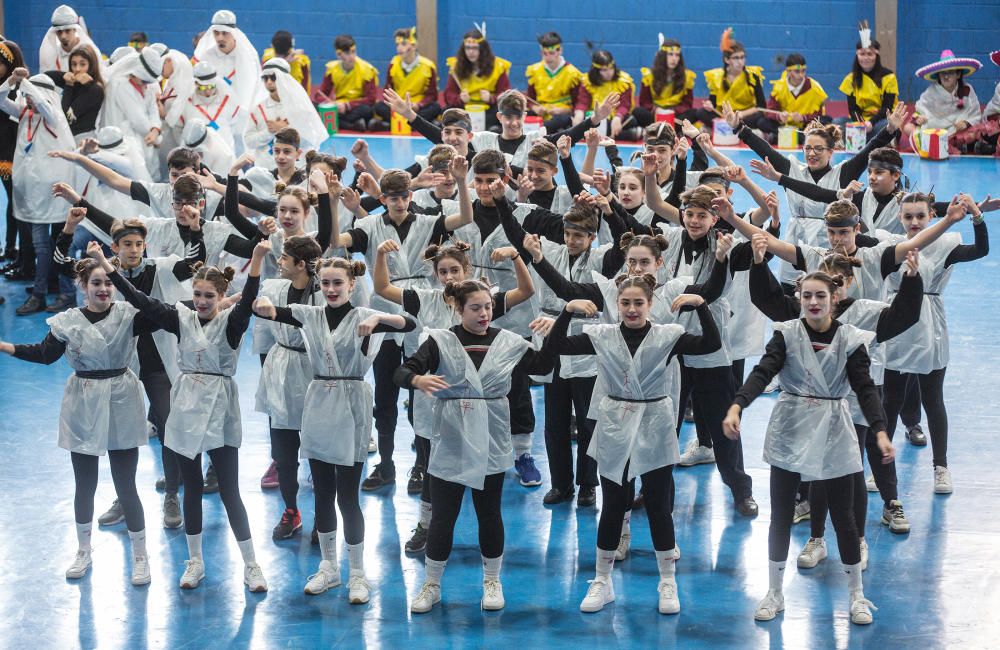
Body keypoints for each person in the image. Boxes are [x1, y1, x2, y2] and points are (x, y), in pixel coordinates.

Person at [723, 270, 895, 626]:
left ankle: (857, 595)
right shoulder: (786, 334)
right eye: (806, 297)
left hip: (834, 423)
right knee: (782, 513)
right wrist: (739, 403)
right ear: (799, 299)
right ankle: (774, 591)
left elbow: (864, 388)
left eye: (820, 296)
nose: (813, 303)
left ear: (835, 298)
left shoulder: (851, 339)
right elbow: (763, 371)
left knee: (844, 517)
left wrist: (879, 430)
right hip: (792, 423)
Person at [102, 238, 270, 592]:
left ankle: (251, 564)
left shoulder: (232, 322)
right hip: (185, 406)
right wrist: (109, 270)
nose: (202, 301)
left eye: (209, 295)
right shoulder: (181, 318)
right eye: (197, 294)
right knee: (191, 486)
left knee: (229, 490)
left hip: (220, 407)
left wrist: (255, 260)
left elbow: (250, 297)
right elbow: (141, 301)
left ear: (221, 296)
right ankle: (195, 562)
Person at [746, 243, 924, 572]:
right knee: (814, 472)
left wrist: (912, 279)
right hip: (808, 411)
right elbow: (766, 297)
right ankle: (816, 538)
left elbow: (904, 315)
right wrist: (758, 264)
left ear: (846, 287)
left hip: (852, 405)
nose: (822, 295)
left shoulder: (865, 314)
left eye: (839, 282)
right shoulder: (804, 313)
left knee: (850, 475)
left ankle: (857, 540)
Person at [548, 276, 720, 614]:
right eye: (625, 303)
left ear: (649, 304)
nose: (631, 309)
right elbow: (556, 347)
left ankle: (667, 581)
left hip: (655, 420)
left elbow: (710, 345)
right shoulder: (602, 335)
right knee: (614, 503)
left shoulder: (668, 336)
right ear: (617, 305)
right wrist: (566, 313)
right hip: (615, 421)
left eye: (638, 303)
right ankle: (602, 580)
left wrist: (702, 307)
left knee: (658, 503)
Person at [254, 257, 415, 601]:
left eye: (337, 283)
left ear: (351, 284)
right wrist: (263, 304)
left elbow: (410, 323)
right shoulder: (309, 314)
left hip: (352, 402)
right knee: (323, 493)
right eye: (325, 284)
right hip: (319, 402)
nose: (330, 290)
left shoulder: (362, 316)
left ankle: (357, 572)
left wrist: (378, 317)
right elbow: (271, 312)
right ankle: (329, 567)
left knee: (347, 495)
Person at [397, 279, 554, 613]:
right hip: (451, 436)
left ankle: (492, 581)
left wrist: (556, 326)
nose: (484, 314)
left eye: (488, 307)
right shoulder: (441, 340)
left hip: (492, 435)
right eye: (475, 308)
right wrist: (417, 379)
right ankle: (432, 584)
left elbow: (543, 366)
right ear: (458, 308)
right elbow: (403, 371)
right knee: (443, 515)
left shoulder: (509, 342)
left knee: (489, 512)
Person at [0, 247, 154, 585]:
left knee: (126, 483)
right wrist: (5, 346)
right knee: (84, 484)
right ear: (82, 285)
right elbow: (44, 354)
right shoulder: (67, 321)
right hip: (83, 400)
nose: (103, 289)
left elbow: (157, 311)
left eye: (108, 283)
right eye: (96, 283)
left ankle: (140, 556)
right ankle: (83, 550)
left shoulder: (131, 314)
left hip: (121, 397)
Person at [373, 237, 535, 551]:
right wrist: (380, 256)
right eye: (443, 271)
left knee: (483, 476)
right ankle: (425, 525)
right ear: (435, 274)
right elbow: (382, 288)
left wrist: (516, 257)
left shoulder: (480, 299)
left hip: (479, 403)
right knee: (430, 467)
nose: (449, 277)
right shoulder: (424, 299)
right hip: (435, 397)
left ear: (466, 269)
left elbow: (526, 292)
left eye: (454, 270)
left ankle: (476, 535)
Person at [54, 207, 204, 529]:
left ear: (145, 245)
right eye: (127, 245)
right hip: (122, 367)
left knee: (167, 425)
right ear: (114, 248)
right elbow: (61, 262)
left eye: (138, 244)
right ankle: (124, 499)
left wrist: (194, 230)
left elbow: (194, 261)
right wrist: (69, 228)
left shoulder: (161, 268)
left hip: (159, 364)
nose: (133, 250)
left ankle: (171, 496)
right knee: (118, 435)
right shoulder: (104, 275)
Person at [330, 159, 473, 491]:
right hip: (382, 313)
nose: (398, 201)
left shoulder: (428, 221)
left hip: (419, 310)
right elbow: (336, 238)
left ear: (411, 195)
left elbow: (465, 217)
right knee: (384, 396)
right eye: (392, 196)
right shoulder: (368, 227)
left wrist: (463, 182)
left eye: (404, 195)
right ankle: (387, 463)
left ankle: (422, 465)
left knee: (420, 394)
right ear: (382, 199)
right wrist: (332, 199)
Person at [727, 101, 907, 290]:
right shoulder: (792, 168)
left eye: (819, 149)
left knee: (828, 292)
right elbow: (765, 150)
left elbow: (869, 149)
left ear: (830, 152)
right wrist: (739, 127)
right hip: (795, 240)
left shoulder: (843, 172)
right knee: (790, 291)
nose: (812, 153)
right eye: (808, 149)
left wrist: (889, 129)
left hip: (831, 241)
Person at [880, 192, 989, 495]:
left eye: (920, 216)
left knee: (933, 399)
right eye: (908, 216)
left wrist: (977, 217)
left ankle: (940, 466)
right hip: (897, 323)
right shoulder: (889, 244)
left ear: (931, 216)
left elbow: (981, 250)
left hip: (930, 326)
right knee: (890, 400)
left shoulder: (945, 244)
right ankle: (880, 467)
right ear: (900, 218)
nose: (914, 222)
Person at [0, 68, 79, 315]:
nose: (29, 100)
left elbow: (45, 105)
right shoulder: (25, 114)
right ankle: (43, 288)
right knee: (40, 244)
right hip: (30, 194)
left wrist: (26, 84)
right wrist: (12, 81)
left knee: (50, 244)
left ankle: (41, 293)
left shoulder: (53, 115)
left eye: (32, 96)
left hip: (52, 194)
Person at [192, 10, 261, 153]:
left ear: (233, 32)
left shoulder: (247, 57)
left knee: (243, 151)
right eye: (216, 33)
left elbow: (254, 88)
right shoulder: (206, 56)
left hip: (242, 113)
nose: (220, 38)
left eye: (224, 33)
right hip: (215, 112)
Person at [245, 58, 327, 169]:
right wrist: (269, 132)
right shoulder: (258, 109)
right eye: (265, 78)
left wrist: (286, 130)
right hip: (264, 170)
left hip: (295, 170)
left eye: (273, 77)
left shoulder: (300, 107)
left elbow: (310, 141)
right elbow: (249, 142)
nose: (269, 82)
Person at [98, 45, 164, 177]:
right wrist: (157, 139)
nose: (145, 84)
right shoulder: (120, 84)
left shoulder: (148, 85)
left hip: (147, 137)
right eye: (143, 80)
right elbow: (137, 119)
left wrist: (156, 129)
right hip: (128, 140)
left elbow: (153, 109)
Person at [906, 50, 985, 155]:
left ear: (958, 75)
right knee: (908, 128)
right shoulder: (931, 92)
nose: (946, 76)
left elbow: (975, 114)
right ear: (938, 75)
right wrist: (919, 119)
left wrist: (966, 123)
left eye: (950, 73)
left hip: (957, 131)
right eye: (943, 73)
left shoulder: (967, 89)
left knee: (974, 132)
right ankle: (950, 145)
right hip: (934, 129)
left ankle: (953, 144)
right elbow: (920, 112)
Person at [694, 28, 766, 131]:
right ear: (727, 60)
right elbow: (713, 103)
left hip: (743, 115)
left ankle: (722, 128)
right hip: (723, 115)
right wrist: (709, 105)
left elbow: (761, 106)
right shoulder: (717, 76)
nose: (741, 62)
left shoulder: (753, 76)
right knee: (700, 113)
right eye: (736, 58)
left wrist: (740, 114)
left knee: (760, 118)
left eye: (742, 57)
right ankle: (734, 128)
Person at [443, 26, 511, 132]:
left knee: (504, 112)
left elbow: (506, 95)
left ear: (482, 49)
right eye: (467, 48)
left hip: (488, 110)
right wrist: (459, 99)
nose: (470, 52)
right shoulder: (456, 66)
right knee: (446, 111)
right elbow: (449, 94)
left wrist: (491, 98)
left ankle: (493, 130)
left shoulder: (498, 66)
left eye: (475, 48)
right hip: (465, 110)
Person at [371, 27, 440, 129]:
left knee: (436, 107)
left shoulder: (428, 66)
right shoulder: (393, 64)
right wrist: (395, 103)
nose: (399, 48)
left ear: (414, 45)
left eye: (403, 44)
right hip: (399, 105)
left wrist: (418, 105)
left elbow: (432, 95)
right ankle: (418, 125)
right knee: (378, 107)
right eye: (397, 44)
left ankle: (390, 125)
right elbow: (388, 90)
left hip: (416, 106)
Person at [311, 35, 379, 132]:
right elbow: (320, 95)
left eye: (353, 52)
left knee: (367, 110)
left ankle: (340, 123)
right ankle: (353, 125)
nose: (352, 56)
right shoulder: (332, 69)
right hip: (338, 106)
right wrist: (332, 104)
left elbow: (371, 99)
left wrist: (348, 105)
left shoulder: (367, 69)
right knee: (314, 105)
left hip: (357, 106)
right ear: (339, 55)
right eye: (347, 53)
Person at [838, 31, 898, 139]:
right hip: (861, 122)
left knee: (886, 127)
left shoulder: (889, 77)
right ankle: (867, 138)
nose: (866, 58)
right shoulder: (850, 79)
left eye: (870, 54)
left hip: (881, 120)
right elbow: (853, 109)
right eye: (862, 54)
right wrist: (861, 125)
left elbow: (887, 108)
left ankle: (867, 138)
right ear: (857, 56)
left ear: (876, 56)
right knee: (837, 123)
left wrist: (871, 123)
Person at [758, 53, 829, 142]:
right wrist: (779, 116)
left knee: (825, 121)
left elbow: (819, 115)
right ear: (788, 72)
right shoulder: (780, 86)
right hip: (784, 125)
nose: (801, 75)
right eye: (797, 71)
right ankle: (799, 137)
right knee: (762, 122)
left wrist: (803, 118)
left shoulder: (814, 87)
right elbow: (769, 110)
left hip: (804, 125)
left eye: (803, 71)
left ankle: (778, 137)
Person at [184, 61, 243, 160]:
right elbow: (180, 133)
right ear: (196, 83)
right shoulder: (186, 104)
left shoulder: (229, 102)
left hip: (225, 156)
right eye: (203, 87)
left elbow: (236, 128)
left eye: (211, 87)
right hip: (198, 158)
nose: (208, 91)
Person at [635, 36, 698, 127]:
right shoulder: (649, 75)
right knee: (637, 112)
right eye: (670, 54)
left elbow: (687, 104)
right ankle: (662, 128)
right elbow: (644, 102)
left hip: (674, 115)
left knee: (694, 113)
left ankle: (662, 129)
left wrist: (672, 111)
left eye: (677, 55)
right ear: (663, 56)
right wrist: (657, 110)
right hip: (655, 114)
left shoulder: (687, 76)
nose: (674, 59)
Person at [0, 40, 25, 267]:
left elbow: (14, 127)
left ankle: (11, 248)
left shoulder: (17, 89)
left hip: (10, 156)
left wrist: (8, 158)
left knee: (14, 204)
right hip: (3, 153)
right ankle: (7, 247)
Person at [525, 32, 581, 133]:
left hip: (562, 115)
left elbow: (578, 103)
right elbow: (530, 99)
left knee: (561, 120)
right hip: (541, 113)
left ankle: (539, 130)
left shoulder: (572, 73)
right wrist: (536, 108)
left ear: (560, 51)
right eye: (544, 53)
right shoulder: (534, 70)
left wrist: (563, 110)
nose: (548, 58)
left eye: (551, 53)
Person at [47, 44, 105, 142]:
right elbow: (45, 76)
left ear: (91, 65)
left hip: (83, 139)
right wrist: (65, 75)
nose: (77, 69)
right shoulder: (75, 81)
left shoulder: (95, 89)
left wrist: (69, 85)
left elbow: (66, 118)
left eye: (82, 64)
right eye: (74, 64)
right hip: (68, 138)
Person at [573, 50, 636, 140]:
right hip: (594, 117)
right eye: (604, 70)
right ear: (596, 70)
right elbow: (582, 103)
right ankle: (628, 134)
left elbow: (625, 105)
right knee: (573, 119)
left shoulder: (624, 81)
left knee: (632, 120)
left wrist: (618, 117)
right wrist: (578, 115)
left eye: (611, 68)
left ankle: (590, 135)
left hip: (614, 117)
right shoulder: (587, 81)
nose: (609, 72)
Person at [38, 5, 102, 73]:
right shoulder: (51, 54)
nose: (63, 36)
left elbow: (100, 78)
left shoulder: (90, 52)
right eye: (59, 32)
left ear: (75, 30)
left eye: (67, 30)